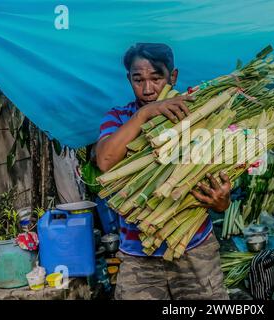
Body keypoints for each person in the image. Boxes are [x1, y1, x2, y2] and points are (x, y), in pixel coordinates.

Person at [95, 43, 230, 300]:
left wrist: (222, 201)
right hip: (138, 254)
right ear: (129, 80)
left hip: (194, 247)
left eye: (156, 79)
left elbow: (221, 190)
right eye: (138, 80)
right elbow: (105, 161)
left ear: (173, 76)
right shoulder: (119, 117)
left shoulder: (202, 114)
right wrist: (144, 115)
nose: (147, 89)